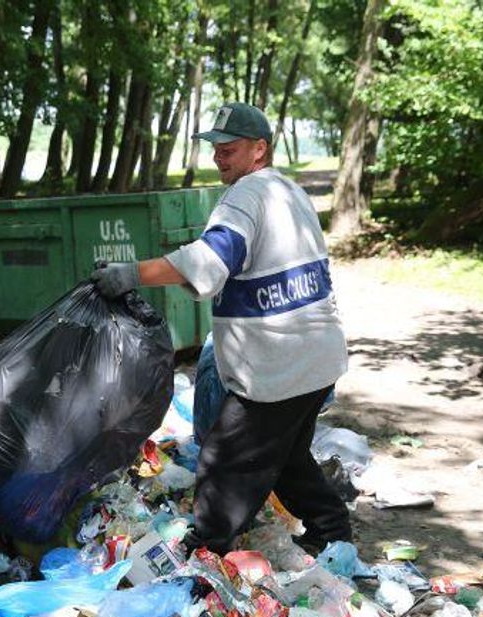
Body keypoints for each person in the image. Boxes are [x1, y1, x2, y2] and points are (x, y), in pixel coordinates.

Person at [91, 102, 351, 554]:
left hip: (279, 365)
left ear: (259, 150)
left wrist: (131, 274)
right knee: (286, 457)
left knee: (224, 457)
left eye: (229, 149)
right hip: (317, 358)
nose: (218, 158)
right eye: (216, 148)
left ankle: (206, 551)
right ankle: (332, 534)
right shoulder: (289, 191)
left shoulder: (247, 196)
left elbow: (209, 259)